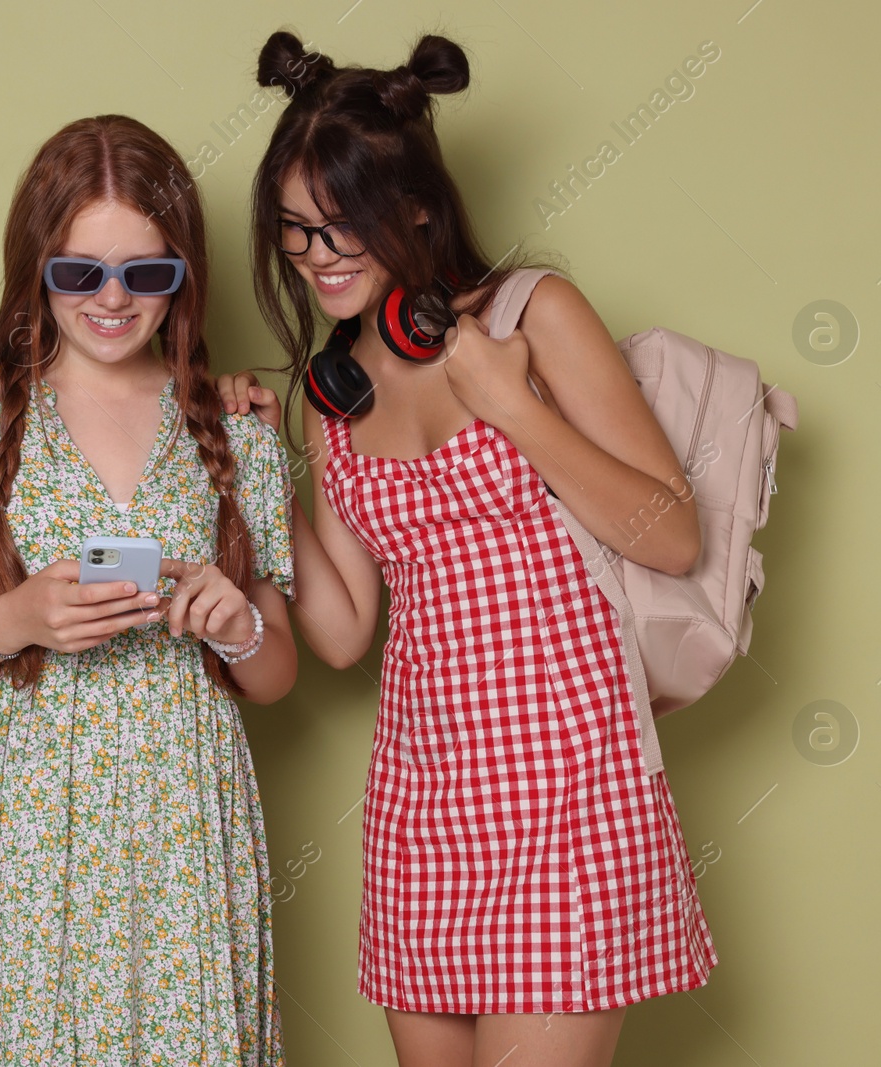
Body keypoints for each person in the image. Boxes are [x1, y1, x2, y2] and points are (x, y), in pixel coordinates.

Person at [217, 32, 718, 1067]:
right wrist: (266, 474)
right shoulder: (333, 397)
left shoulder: (535, 314)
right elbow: (347, 632)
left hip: (569, 787)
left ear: (414, 207)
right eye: (296, 233)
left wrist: (511, 406)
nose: (318, 259)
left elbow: (670, 533)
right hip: (422, 800)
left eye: (341, 224)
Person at [0, 114, 297, 1066]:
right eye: (77, 272)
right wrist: (11, 620)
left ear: (182, 275)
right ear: (33, 270)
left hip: (182, 831)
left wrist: (237, 625)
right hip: (10, 836)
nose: (111, 298)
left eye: (146, 273)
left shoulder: (235, 431)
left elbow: (279, 673)